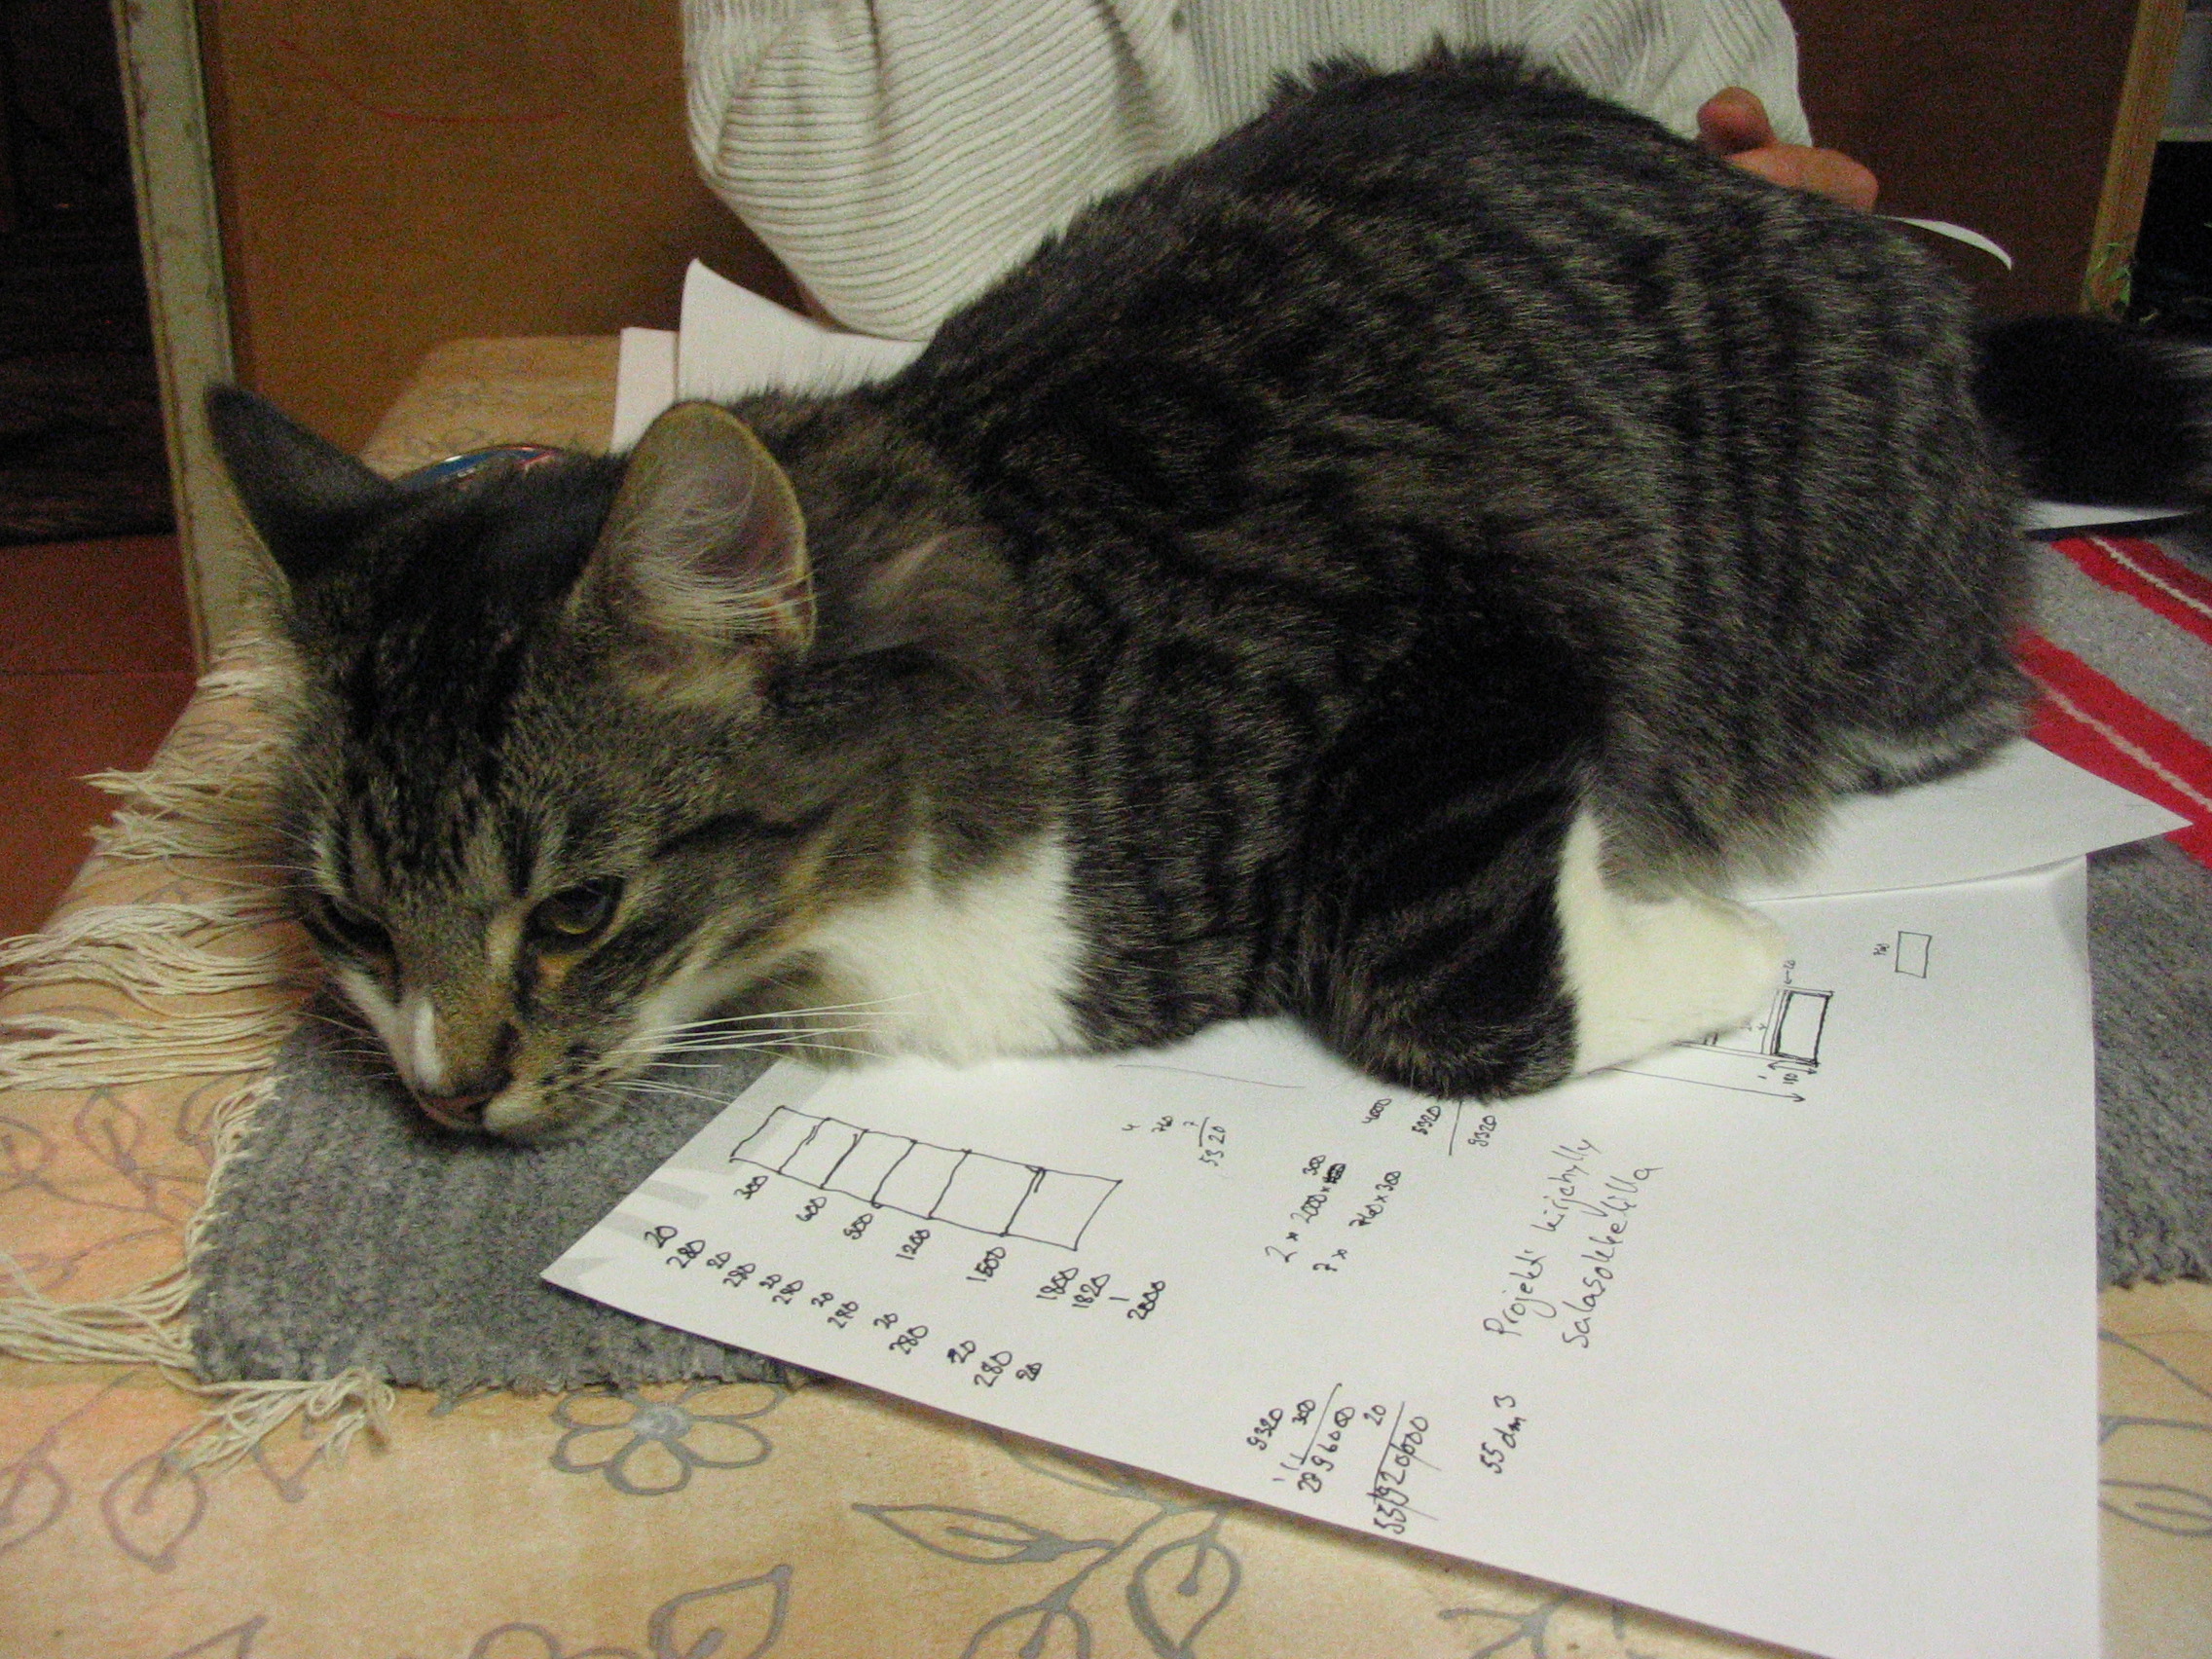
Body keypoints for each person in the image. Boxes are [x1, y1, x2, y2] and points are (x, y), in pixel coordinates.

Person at [682, 0, 1877, 339]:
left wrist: (1755, 228)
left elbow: (1712, 132)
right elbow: (884, 227)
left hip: (1491, 540)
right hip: (1001, 523)